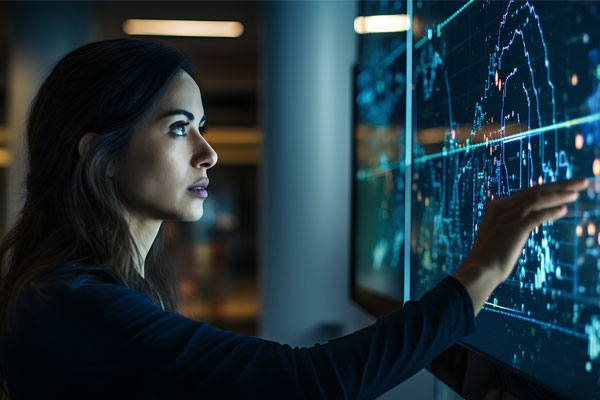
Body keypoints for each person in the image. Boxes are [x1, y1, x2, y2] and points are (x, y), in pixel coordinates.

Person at [0, 38, 589, 399]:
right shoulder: (72, 303)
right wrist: (482, 269)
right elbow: (304, 386)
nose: (208, 153)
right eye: (179, 128)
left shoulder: (81, 291)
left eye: (202, 127)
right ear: (99, 155)